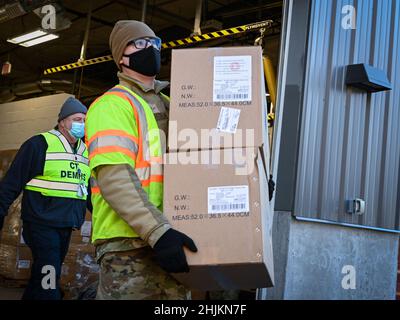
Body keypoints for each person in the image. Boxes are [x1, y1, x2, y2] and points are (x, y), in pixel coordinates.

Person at [85, 20, 197, 300]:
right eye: (141, 43)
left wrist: (248, 179)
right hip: (129, 246)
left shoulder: (175, 104)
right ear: (121, 57)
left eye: (155, 43)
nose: (151, 48)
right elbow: (114, 177)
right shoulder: (112, 105)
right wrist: (158, 231)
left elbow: (202, 160)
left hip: (173, 239)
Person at [0, 97, 91, 300]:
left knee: (43, 273)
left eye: (85, 120)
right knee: (49, 277)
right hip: (41, 223)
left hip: (67, 225)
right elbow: (11, 184)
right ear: (62, 121)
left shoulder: (85, 151)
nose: (82, 125)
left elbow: (86, 190)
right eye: (77, 119)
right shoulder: (39, 144)